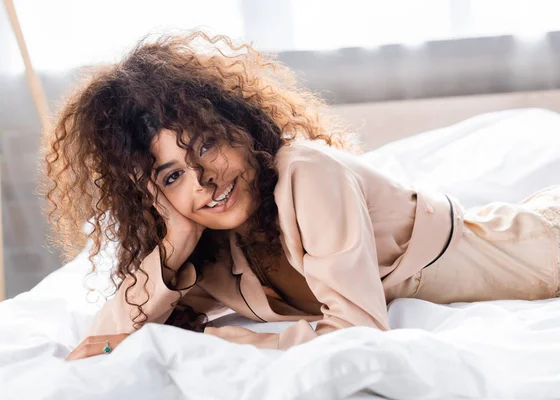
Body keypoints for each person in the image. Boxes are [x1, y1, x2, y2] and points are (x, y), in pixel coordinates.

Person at [41, 31, 560, 361]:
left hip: (533, 250)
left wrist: (199, 344)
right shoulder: (207, 250)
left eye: (206, 146)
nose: (203, 182)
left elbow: (357, 333)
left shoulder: (306, 174)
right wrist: (174, 244)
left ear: (240, 127)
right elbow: (95, 347)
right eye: (172, 176)